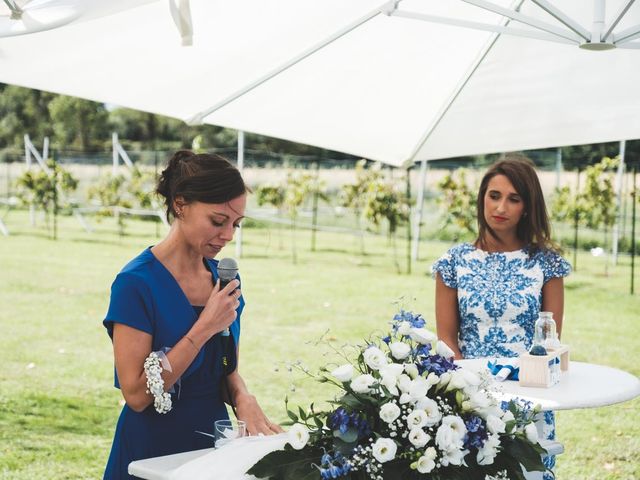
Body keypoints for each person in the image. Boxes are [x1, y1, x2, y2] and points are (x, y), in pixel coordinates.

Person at [103, 150, 283, 479]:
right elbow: (137, 395)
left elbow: (225, 370)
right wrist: (204, 327)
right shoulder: (135, 285)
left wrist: (243, 397)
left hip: (213, 448)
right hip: (150, 450)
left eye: (236, 224)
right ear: (180, 204)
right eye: (218, 221)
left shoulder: (226, 281)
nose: (228, 235)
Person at [432, 154, 570, 480]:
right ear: (482, 199)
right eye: (494, 196)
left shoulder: (547, 264)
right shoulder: (453, 261)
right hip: (471, 396)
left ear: (527, 206)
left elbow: (550, 341)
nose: (501, 208)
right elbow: (447, 340)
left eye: (513, 199)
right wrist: (470, 396)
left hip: (530, 393)